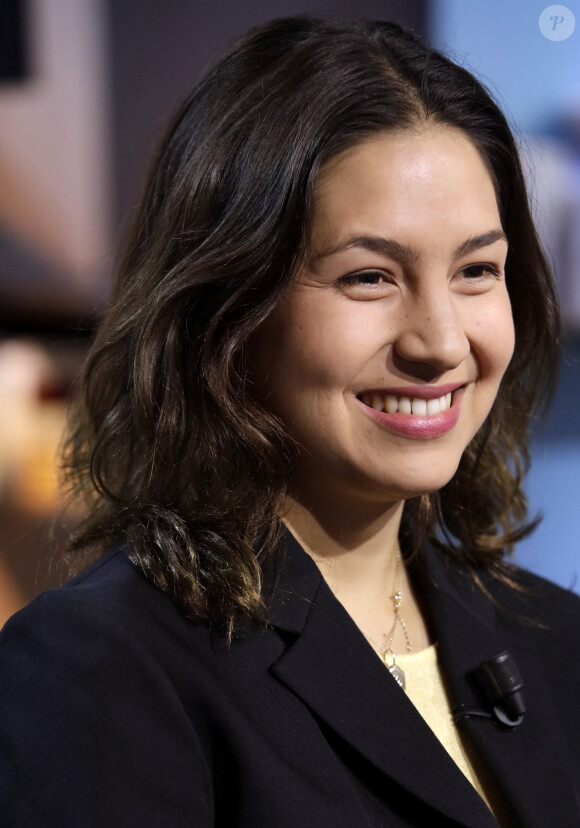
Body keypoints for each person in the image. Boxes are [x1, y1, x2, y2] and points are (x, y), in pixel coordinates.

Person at [0, 16, 579, 827]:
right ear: (226, 309)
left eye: (477, 270)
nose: (443, 342)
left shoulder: (557, 639)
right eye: (370, 277)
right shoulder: (97, 668)